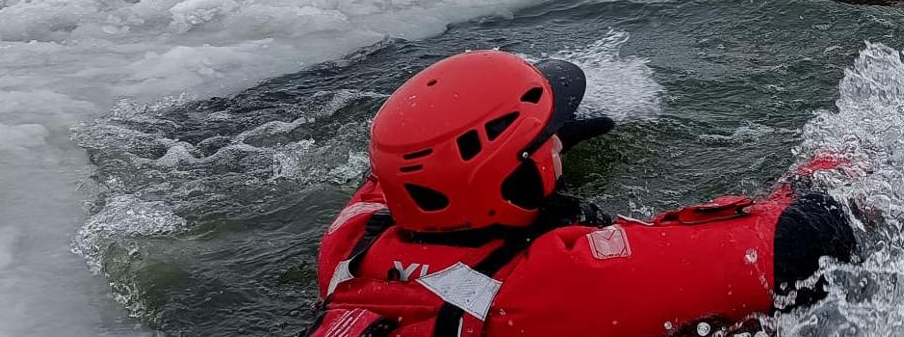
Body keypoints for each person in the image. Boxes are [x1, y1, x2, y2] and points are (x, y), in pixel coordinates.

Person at [301, 50, 859, 337]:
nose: (556, 141)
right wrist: (842, 161)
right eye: (546, 139)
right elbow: (802, 241)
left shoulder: (348, 248)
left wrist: (527, 145)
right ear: (516, 174)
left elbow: (399, 166)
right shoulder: (555, 283)